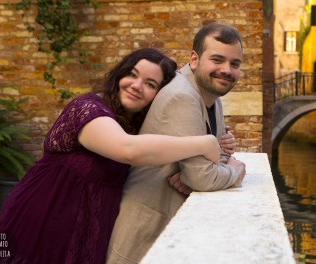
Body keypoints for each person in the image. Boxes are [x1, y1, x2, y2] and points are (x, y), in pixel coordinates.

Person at [0, 48, 234, 264]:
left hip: (88, 228)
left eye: (150, 84)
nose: (136, 86)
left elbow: (159, 145)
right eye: (132, 75)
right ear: (119, 75)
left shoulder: (135, 125)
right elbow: (128, 150)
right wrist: (204, 143)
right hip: (42, 218)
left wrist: (199, 161)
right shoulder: (88, 109)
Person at [106, 22, 247, 263]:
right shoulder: (183, 96)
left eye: (234, 64)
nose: (226, 70)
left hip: (167, 229)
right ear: (194, 59)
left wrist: (206, 170)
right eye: (217, 59)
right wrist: (235, 171)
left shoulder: (212, 95)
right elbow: (203, 177)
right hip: (144, 231)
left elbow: (215, 158)